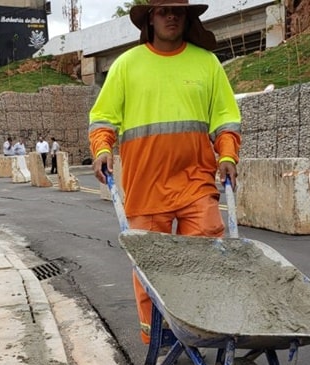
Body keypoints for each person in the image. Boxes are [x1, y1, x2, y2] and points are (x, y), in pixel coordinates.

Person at [89, 0, 241, 346]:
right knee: (151, 271)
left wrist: (228, 154)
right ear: (150, 19)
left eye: (178, 11)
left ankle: (205, 330)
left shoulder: (206, 64)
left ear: (187, 17)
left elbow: (225, 118)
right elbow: (103, 118)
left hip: (196, 183)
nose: (171, 16)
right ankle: (157, 340)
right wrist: (101, 150)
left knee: (206, 261)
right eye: (163, 11)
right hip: (146, 187)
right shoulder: (128, 65)